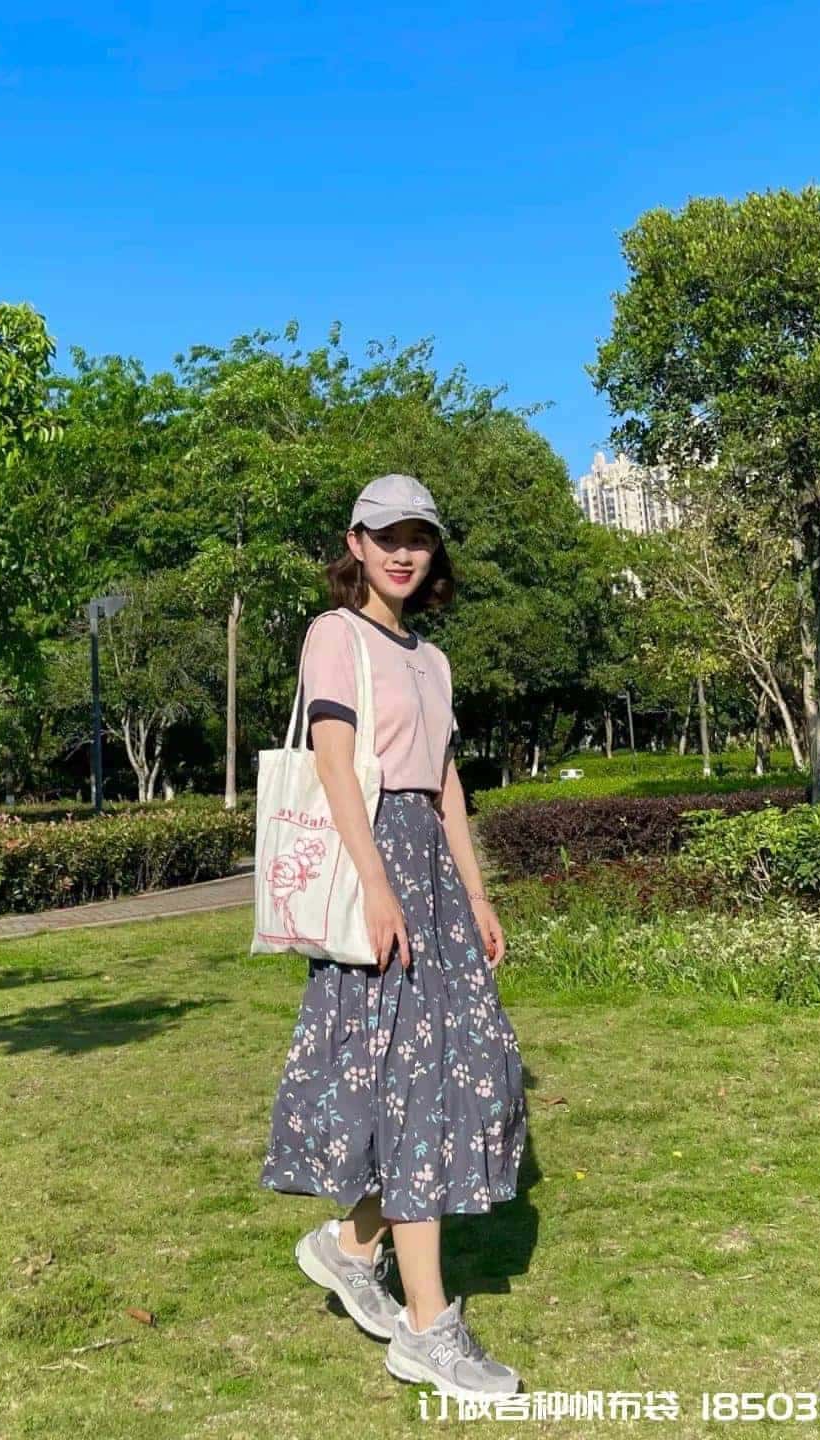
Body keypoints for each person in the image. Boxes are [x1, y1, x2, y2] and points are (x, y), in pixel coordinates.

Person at [259, 473, 528, 1403]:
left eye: (419, 537)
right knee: (415, 1083)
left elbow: (446, 783)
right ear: (356, 544)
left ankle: (349, 1246)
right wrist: (379, 888)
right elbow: (336, 764)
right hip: (376, 864)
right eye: (387, 537)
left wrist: (477, 895)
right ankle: (426, 1326)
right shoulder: (335, 636)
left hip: (436, 881)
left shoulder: (434, 660)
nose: (404, 552)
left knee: (466, 1072)